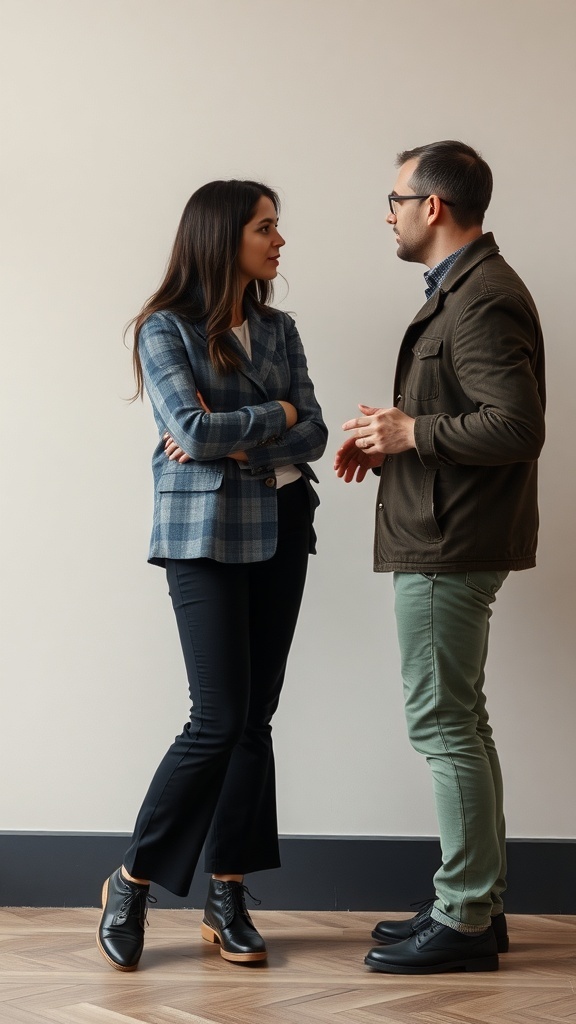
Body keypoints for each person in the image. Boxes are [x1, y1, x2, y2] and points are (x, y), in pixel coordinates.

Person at [97, 180, 328, 972]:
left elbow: (319, 430)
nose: (279, 241)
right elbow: (191, 432)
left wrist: (250, 434)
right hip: (202, 534)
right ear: (223, 237)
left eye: (276, 227)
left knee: (255, 717)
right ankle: (132, 880)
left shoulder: (280, 328)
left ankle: (225, 892)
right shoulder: (164, 330)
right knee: (217, 718)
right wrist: (277, 421)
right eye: (267, 227)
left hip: (284, 526)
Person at [335, 141, 545, 975]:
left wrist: (411, 431)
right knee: (465, 721)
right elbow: (472, 413)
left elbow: (517, 426)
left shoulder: (483, 296)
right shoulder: (465, 291)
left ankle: (462, 917)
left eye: (394, 199)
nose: (386, 213)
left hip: (448, 547)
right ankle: (477, 904)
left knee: (444, 725)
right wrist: (394, 439)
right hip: (448, 531)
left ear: (435, 208)